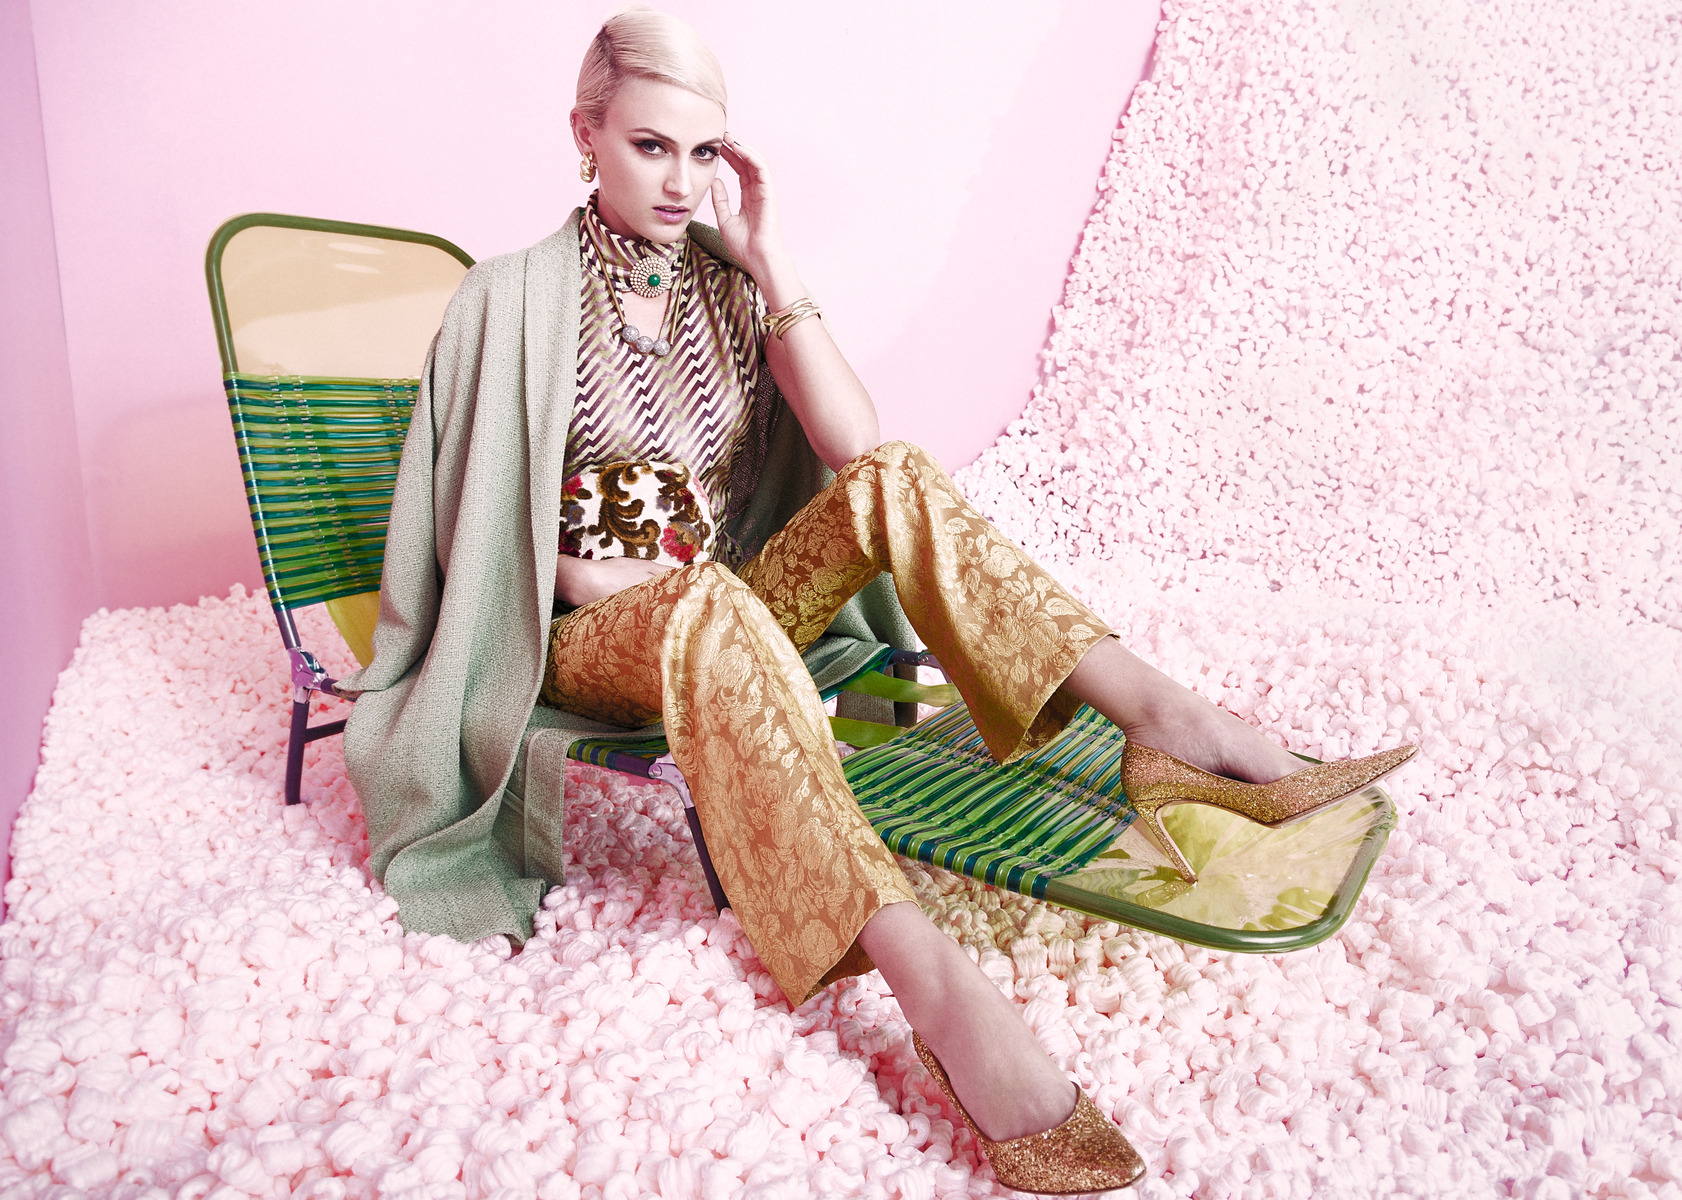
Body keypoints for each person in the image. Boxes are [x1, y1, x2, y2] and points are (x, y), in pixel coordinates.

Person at [342, 8, 1413, 1192]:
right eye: (650, 146)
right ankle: (936, 987)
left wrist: (774, 265)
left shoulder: (726, 286)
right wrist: (634, 574)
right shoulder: (509, 297)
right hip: (590, 635)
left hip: (719, 597)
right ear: (584, 134)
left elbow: (855, 449)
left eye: (705, 152)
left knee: (895, 474)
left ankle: (1162, 720)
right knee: (703, 605)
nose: (682, 181)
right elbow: (505, 541)